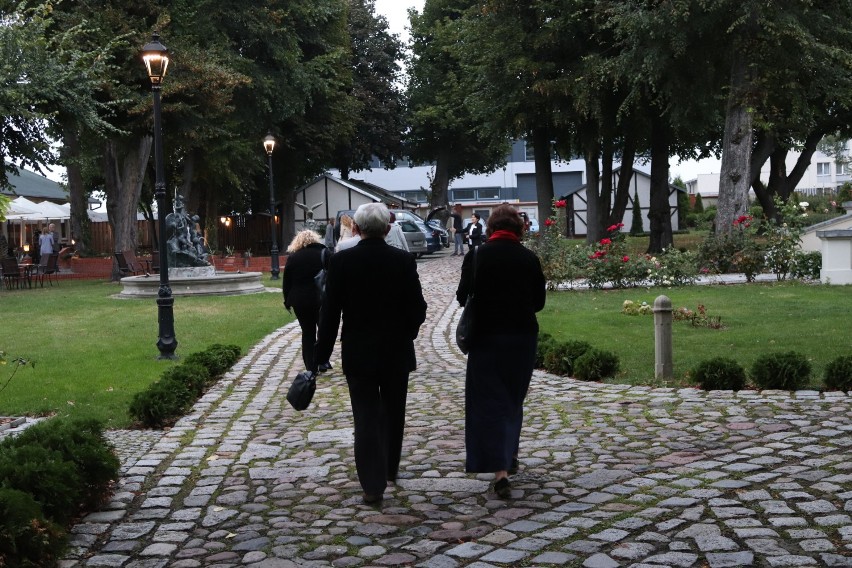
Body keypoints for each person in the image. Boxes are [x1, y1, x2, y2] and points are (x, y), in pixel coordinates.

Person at [314, 202, 427, 504]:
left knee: (364, 417)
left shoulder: (342, 262)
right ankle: (389, 468)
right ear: (388, 228)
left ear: (358, 229)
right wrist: (407, 333)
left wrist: (320, 355)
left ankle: (372, 486)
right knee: (393, 412)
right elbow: (418, 308)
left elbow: (329, 314)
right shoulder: (402, 261)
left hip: (359, 351)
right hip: (396, 351)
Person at [455, 204, 545, 498]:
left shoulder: (478, 255)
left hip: (486, 338)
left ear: (491, 228)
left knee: (489, 401)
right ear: (518, 229)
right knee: (512, 399)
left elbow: (461, 296)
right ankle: (509, 454)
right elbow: (539, 302)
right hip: (521, 338)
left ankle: (501, 470)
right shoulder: (528, 258)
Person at [282, 230, 332, 373]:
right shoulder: (324, 253)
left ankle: (311, 366)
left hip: (300, 300)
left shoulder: (293, 257)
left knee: (308, 333)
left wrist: (287, 300)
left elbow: (287, 281)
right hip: (320, 298)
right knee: (323, 331)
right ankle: (323, 360)